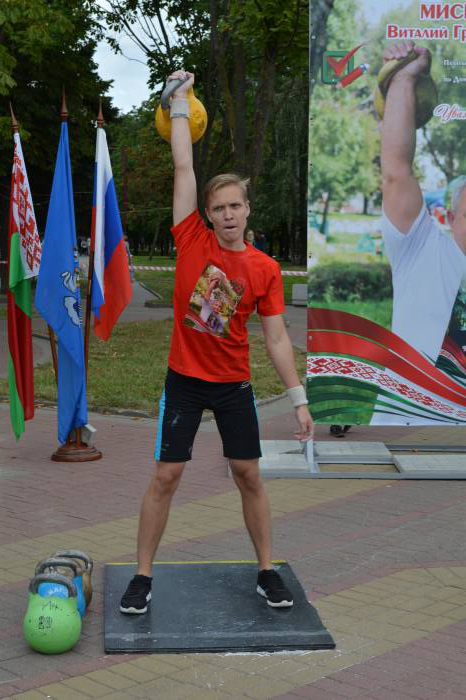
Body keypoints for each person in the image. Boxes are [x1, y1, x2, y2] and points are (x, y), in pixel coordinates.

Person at [120, 69, 314, 614]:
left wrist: (298, 400)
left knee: (248, 474)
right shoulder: (190, 239)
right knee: (166, 475)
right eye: (219, 207)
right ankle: (141, 576)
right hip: (184, 381)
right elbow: (184, 166)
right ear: (207, 214)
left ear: (247, 210)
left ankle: (267, 571)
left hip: (233, 386)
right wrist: (179, 103)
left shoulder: (265, 269)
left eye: (235, 206)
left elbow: (276, 338)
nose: (228, 214)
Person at [371, 41, 466, 424]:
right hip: (403, 432)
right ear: (451, 215)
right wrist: (403, 79)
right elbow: (396, 169)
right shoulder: (421, 247)